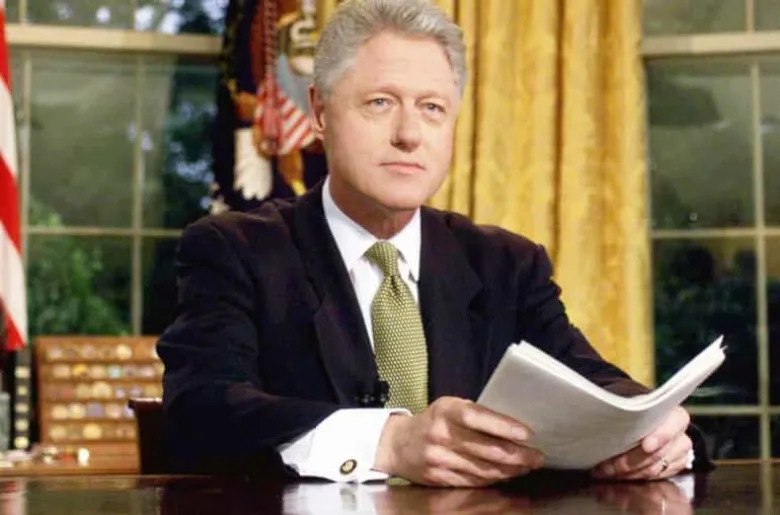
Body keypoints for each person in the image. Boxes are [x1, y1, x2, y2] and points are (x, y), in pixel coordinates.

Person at [157, 0, 709, 487]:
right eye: (380, 102)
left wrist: (657, 430)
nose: (409, 134)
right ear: (320, 112)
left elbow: (597, 385)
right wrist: (391, 443)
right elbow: (199, 412)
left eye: (432, 108)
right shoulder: (236, 250)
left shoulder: (506, 264)